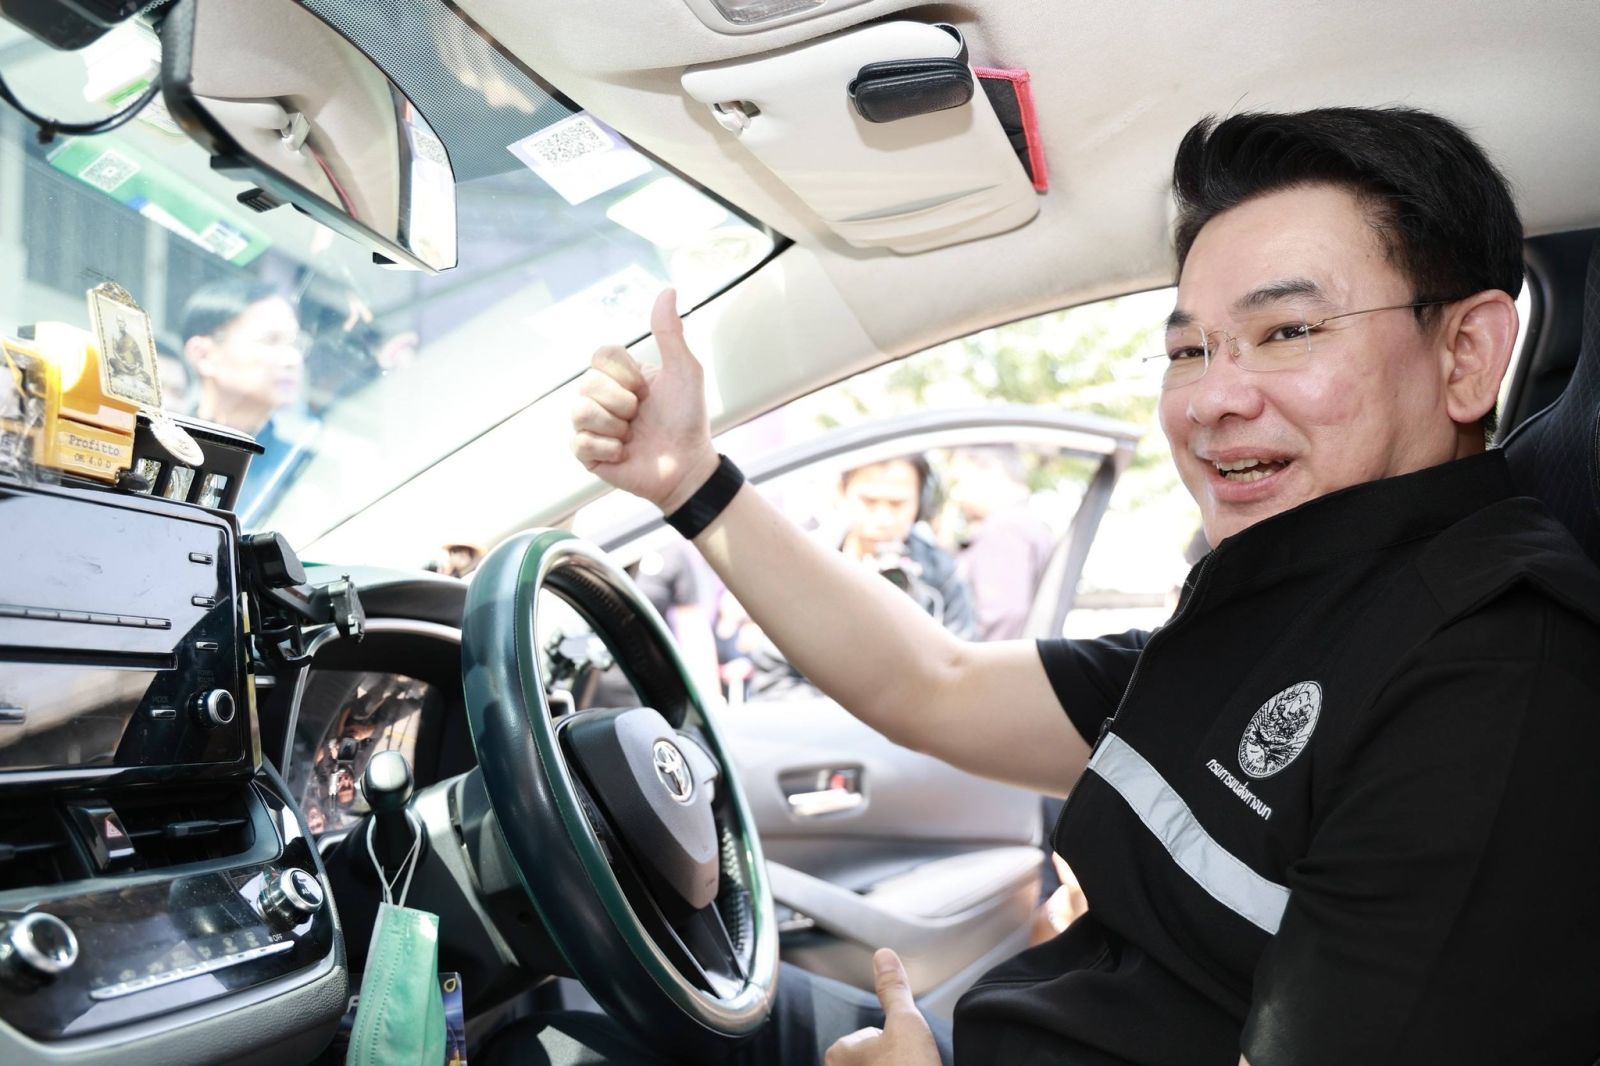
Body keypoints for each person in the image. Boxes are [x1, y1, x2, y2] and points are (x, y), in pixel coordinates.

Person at [555, 107, 1600, 1066]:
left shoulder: (1496, 679)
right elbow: (936, 683)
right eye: (1188, 349)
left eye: (1287, 332)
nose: (1211, 399)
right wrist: (688, 480)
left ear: (1466, 354)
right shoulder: (1285, 602)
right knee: (603, 997)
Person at [180, 278, 317, 522]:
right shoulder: (165, 447)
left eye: (297, 343)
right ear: (203, 355)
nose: (293, 359)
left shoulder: (302, 465)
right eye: (271, 340)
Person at [945, 445, 1054, 641]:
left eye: (960, 481)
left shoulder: (1004, 528)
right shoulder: (1024, 522)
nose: (956, 494)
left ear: (993, 470)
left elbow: (1000, 616)